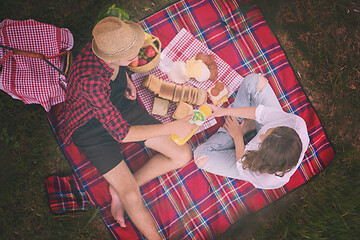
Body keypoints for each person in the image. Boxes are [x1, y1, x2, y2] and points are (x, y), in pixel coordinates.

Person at [57, 17, 196, 239]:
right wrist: (172, 127)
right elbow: (121, 133)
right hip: (89, 127)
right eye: (132, 53)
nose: (138, 54)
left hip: (117, 106)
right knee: (131, 195)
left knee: (182, 154)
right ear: (116, 56)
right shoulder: (89, 80)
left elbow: (118, 69)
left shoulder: (105, 46)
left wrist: (126, 82)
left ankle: (117, 190)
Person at [194, 73, 310, 189]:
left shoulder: (265, 178)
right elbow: (260, 113)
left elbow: (241, 163)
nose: (261, 135)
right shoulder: (295, 124)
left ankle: (240, 128)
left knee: (201, 157)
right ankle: (242, 123)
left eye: (262, 139)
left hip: (245, 158)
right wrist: (222, 111)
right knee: (254, 81)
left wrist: (238, 135)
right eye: (269, 129)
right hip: (258, 139)